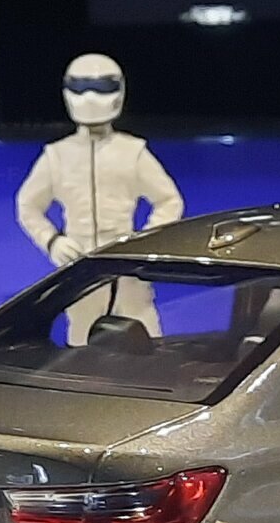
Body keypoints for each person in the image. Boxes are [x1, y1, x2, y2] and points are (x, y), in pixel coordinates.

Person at [14, 52, 184, 344]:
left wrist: (144, 241)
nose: (90, 97)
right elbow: (28, 205)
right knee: (81, 342)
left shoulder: (132, 152)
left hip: (127, 266)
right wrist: (52, 241)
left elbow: (169, 200)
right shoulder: (58, 155)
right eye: (80, 87)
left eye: (102, 87)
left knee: (145, 338)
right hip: (80, 266)